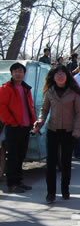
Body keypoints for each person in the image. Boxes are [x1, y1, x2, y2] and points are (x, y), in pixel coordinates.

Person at [33, 65, 80, 203]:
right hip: (53, 130)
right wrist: (40, 121)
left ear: (67, 76)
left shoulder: (74, 92)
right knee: (51, 163)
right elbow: (44, 109)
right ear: (53, 77)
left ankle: (65, 189)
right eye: (57, 74)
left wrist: (77, 131)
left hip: (69, 132)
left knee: (66, 163)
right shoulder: (49, 92)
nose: (60, 76)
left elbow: (79, 113)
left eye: (62, 74)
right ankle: (51, 193)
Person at [0, 63, 36, 193]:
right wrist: (11, 122)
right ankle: (12, 183)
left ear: (24, 73)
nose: (18, 73)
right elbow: (2, 108)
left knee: (21, 155)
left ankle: (19, 181)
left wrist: (33, 122)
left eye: (20, 71)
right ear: (11, 73)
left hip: (25, 127)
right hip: (13, 127)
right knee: (13, 156)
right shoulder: (6, 88)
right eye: (15, 71)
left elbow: (30, 107)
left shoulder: (26, 88)